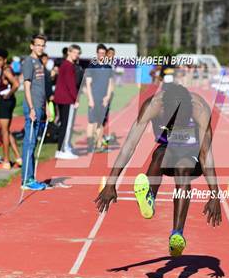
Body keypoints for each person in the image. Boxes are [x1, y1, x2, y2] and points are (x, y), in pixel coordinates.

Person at [95, 83, 222, 257]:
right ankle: (149, 198)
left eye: (182, 117)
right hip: (166, 152)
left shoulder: (199, 110)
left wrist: (215, 194)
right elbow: (129, 146)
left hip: (191, 155)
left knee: (182, 168)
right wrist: (111, 183)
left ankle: (177, 236)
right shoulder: (153, 106)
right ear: (164, 109)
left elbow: (206, 155)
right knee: (160, 154)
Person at [20, 34, 50, 190]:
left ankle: (30, 177)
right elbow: (26, 86)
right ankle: (26, 180)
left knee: (33, 143)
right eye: (38, 45)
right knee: (29, 143)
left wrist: (46, 107)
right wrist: (31, 108)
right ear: (32, 46)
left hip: (40, 106)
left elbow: (41, 88)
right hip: (32, 107)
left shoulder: (39, 62)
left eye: (43, 45)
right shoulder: (28, 62)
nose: (40, 47)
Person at [53, 44, 82, 159]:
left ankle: (64, 147)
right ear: (69, 52)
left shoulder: (64, 65)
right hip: (67, 99)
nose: (76, 55)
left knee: (64, 124)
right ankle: (62, 150)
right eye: (75, 52)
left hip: (61, 98)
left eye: (78, 53)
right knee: (67, 125)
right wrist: (76, 99)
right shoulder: (69, 65)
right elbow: (71, 84)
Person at [85, 44, 114, 153]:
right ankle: (89, 146)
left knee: (100, 122)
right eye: (99, 53)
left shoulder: (108, 67)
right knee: (91, 122)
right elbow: (88, 84)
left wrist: (107, 97)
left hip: (104, 99)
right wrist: (90, 99)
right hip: (94, 98)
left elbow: (110, 84)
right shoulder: (92, 66)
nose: (101, 55)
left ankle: (99, 145)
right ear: (97, 53)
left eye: (103, 53)